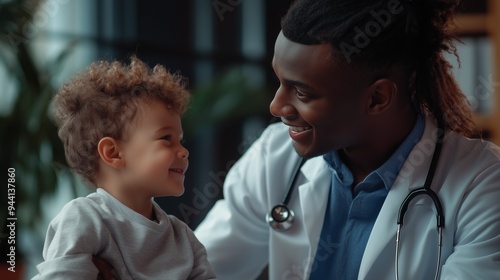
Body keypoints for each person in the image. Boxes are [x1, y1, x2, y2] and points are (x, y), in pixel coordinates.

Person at [194, 0, 500, 279]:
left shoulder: (483, 183)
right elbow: (195, 269)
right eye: (280, 82)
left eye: (302, 93)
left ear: (377, 98)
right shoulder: (273, 157)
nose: (276, 106)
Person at [33, 57, 216, 280]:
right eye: (166, 138)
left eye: (180, 140)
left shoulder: (184, 239)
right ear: (113, 153)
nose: (183, 151)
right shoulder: (84, 219)